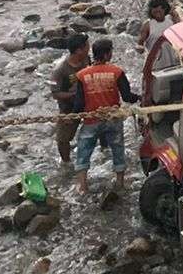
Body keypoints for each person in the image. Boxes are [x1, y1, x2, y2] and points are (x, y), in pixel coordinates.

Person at [71, 37, 137, 195]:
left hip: (91, 120)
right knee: (118, 148)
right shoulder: (117, 72)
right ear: (107, 54)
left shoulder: (82, 75)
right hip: (112, 119)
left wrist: (72, 117)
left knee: (84, 150)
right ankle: (120, 182)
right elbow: (127, 96)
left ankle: (82, 186)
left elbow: (79, 103)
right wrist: (140, 98)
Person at [49, 34, 92, 169]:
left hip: (88, 103)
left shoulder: (86, 60)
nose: (89, 47)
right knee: (63, 139)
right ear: (79, 50)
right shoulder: (60, 70)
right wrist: (73, 94)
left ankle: (104, 148)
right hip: (69, 107)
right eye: (87, 45)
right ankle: (66, 163)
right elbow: (55, 93)